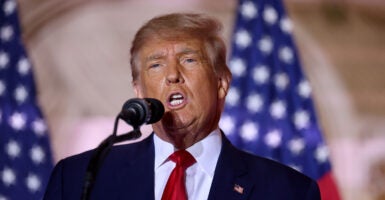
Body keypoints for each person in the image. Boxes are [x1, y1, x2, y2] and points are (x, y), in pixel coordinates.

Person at [43, 13, 320, 200]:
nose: (172, 74)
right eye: (156, 64)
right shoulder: (79, 179)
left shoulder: (288, 191)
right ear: (139, 92)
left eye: (189, 60)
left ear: (221, 83)